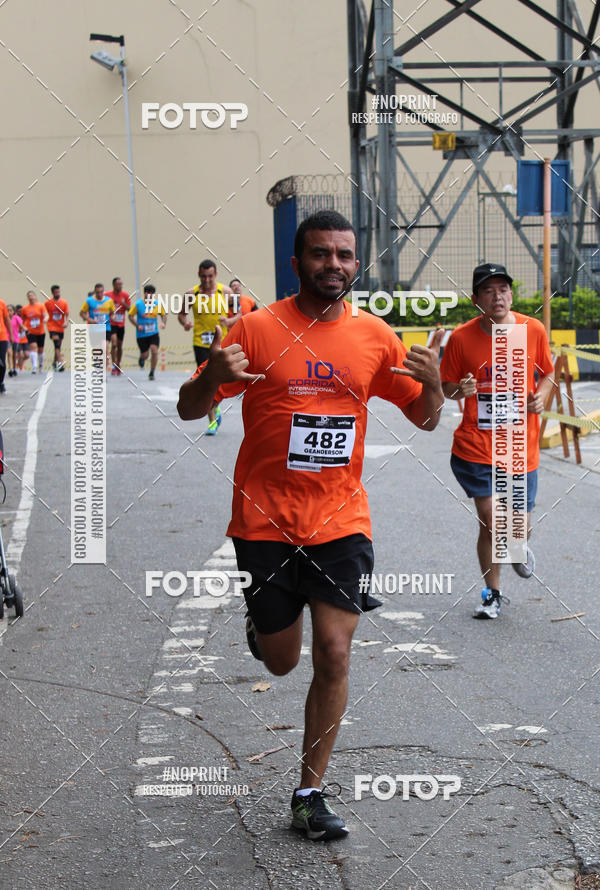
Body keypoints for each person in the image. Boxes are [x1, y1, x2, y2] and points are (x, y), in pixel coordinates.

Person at [177, 210, 444, 840]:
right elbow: (193, 410)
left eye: (345, 255)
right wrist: (212, 379)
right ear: (296, 263)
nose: (335, 265)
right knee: (279, 662)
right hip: (265, 521)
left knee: (334, 651)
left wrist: (433, 389)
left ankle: (309, 792)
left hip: (341, 518)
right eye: (321, 254)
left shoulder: (377, 338)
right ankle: (263, 624)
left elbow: (427, 420)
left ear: (357, 263)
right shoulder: (258, 329)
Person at [440, 262, 555, 619]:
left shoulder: (531, 329)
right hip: (476, 446)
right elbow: (446, 388)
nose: (497, 296)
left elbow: (548, 373)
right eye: (488, 291)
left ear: (511, 294)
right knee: (490, 518)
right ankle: (492, 593)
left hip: (520, 447)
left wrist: (542, 397)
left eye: (503, 289)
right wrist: (461, 387)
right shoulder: (461, 338)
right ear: (476, 299)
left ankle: (517, 545)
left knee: (514, 527)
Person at [178, 260, 233, 435]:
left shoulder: (226, 292)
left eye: (210, 276)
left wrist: (229, 321)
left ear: (215, 275)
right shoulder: (191, 294)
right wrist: (185, 323)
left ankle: (215, 406)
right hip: (201, 343)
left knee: (221, 381)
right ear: (198, 275)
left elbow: (239, 314)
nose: (207, 280)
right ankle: (212, 421)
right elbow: (181, 315)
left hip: (222, 342)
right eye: (203, 276)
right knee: (206, 380)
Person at [128, 283, 166, 380]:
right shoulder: (138, 304)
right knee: (145, 355)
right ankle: (142, 358)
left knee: (154, 350)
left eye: (152, 293)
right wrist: (137, 325)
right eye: (148, 293)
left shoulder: (157, 304)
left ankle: (152, 372)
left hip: (153, 333)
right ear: (145, 293)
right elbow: (130, 316)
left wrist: (163, 323)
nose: (150, 295)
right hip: (141, 334)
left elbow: (163, 315)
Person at [80, 284, 115, 370]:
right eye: (97, 292)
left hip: (106, 328)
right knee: (96, 350)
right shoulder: (89, 301)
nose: (99, 294)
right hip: (94, 328)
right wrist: (89, 319)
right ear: (95, 292)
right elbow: (82, 313)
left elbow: (113, 312)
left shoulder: (109, 301)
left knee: (104, 347)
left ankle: (105, 367)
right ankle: (98, 366)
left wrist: (113, 317)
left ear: (103, 292)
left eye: (101, 292)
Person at [106, 276, 131, 375]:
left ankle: (118, 363)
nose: (120, 286)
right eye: (118, 284)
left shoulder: (125, 295)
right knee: (114, 343)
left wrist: (124, 304)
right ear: (113, 285)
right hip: (111, 323)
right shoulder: (107, 295)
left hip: (121, 324)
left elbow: (130, 309)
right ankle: (113, 365)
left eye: (121, 284)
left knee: (120, 346)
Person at [21, 291, 48, 374]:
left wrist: (45, 319)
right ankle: (34, 367)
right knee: (33, 347)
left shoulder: (40, 306)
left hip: (40, 331)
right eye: (29, 295)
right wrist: (25, 328)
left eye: (32, 295)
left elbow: (46, 315)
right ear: (27, 298)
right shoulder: (25, 308)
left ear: (35, 296)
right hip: (30, 331)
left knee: (40, 350)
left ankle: (41, 364)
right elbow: (22, 321)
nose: (31, 297)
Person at [45, 285, 69, 371]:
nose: (57, 293)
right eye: (56, 292)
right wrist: (45, 319)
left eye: (58, 292)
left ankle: (54, 361)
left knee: (58, 346)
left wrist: (66, 322)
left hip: (60, 327)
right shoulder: (48, 303)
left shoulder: (64, 302)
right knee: (56, 344)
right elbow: (45, 313)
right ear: (52, 293)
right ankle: (60, 363)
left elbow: (66, 314)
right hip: (52, 326)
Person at [0, 298, 13, 392]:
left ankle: (1, 382)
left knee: (2, 363)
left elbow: (7, 319)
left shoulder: (2, 303)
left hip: (2, 336)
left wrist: (11, 335)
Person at [13, 305, 28, 372]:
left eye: (21, 311)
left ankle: (19, 363)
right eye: (19, 311)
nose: (20, 313)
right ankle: (20, 367)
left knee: (27, 355)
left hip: (24, 339)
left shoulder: (25, 318)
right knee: (21, 355)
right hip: (17, 339)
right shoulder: (15, 318)